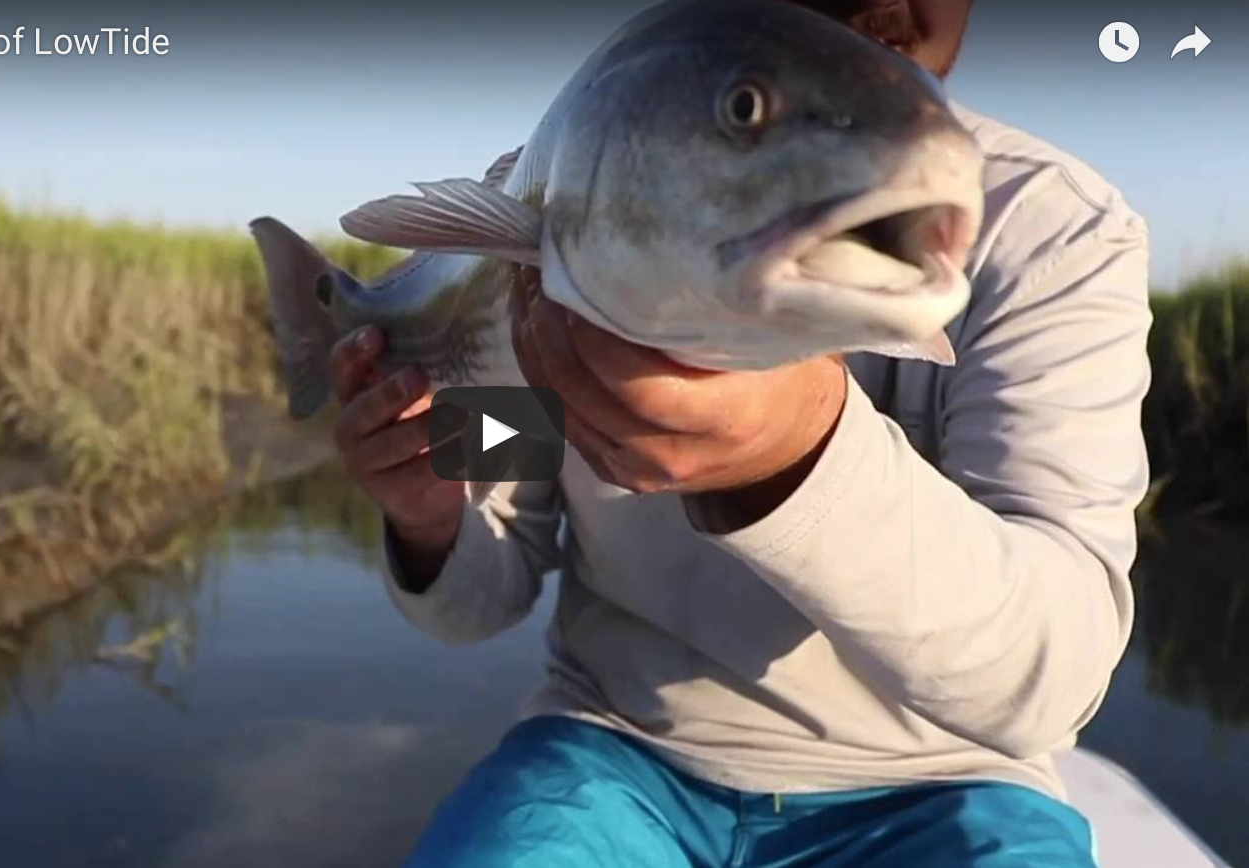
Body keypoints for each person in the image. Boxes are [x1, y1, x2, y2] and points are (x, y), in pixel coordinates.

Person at [327, 1, 1152, 865]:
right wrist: (431, 520)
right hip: (615, 750)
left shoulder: (1058, 231)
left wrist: (801, 456)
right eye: (746, 113)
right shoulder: (535, 279)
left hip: (949, 784)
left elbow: (1050, 679)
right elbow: (492, 588)